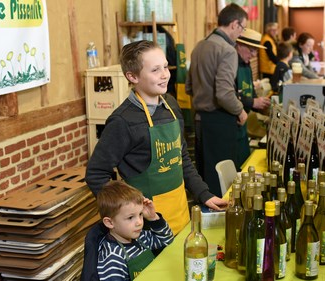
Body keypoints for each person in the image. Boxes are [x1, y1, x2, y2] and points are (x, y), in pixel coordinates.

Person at [86, 40, 227, 235]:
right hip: (145, 228)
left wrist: (204, 194)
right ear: (132, 76)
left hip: (180, 215)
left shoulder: (170, 105)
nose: (165, 75)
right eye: (155, 70)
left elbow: (182, 158)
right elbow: (95, 173)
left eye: (166, 66)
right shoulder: (123, 121)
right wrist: (126, 213)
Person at [186, 3, 248, 197]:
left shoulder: (199, 46)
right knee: (221, 183)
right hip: (220, 121)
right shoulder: (227, 50)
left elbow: (189, 87)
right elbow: (224, 94)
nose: (241, 33)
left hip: (200, 120)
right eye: (242, 28)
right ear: (234, 24)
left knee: (204, 178)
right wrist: (240, 110)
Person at [96, 181, 174, 280]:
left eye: (140, 214)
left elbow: (167, 240)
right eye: (130, 218)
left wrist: (153, 217)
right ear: (110, 223)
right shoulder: (113, 258)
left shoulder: (140, 237)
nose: (139, 222)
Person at [235, 29, 271, 168]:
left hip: (245, 123)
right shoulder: (231, 65)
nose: (254, 55)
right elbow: (230, 94)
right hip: (235, 122)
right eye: (251, 50)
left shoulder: (247, 65)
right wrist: (253, 102)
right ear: (240, 45)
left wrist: (261, 103)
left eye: (256, 51)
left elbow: (250, 91)